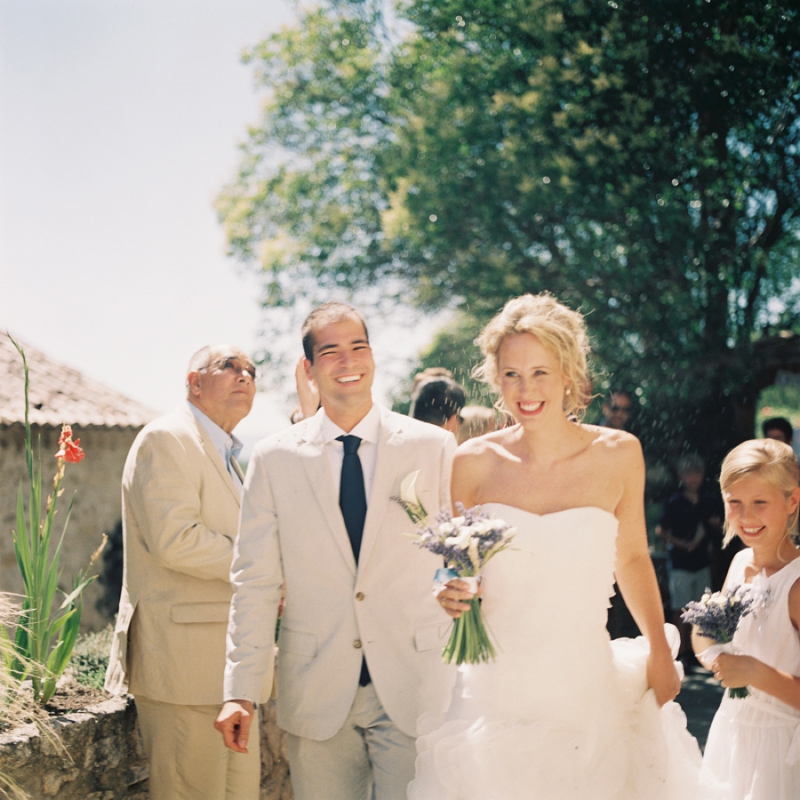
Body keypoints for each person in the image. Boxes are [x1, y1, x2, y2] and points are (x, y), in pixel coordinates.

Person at [409, 293, 701, 800]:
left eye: (541, 372)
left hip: (584, 689)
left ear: (570, 374)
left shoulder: (618, 454)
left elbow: (631, 557)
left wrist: (658, 646)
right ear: (495, 378)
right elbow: (455, 568)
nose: (526, 390)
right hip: (496, 691)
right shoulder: (470, 463)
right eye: (512, 374)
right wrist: (449, 591)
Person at [215, 302, 457, 800]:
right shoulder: (274, 458)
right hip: (317, 687)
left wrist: (459, 587)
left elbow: (459, 551)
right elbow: (254, 582)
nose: (348, 361)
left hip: (416, 682)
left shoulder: (431, 447)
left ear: (372, 356)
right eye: (331, 351)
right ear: (308, 368)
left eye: (358, 347)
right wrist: (240, 690)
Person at [104, 346, 271, 800]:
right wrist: (262, 569)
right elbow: (174, 539)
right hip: (182, 667)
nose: (245, 377)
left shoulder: (226, 453)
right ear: (194, 382)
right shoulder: (166, 438)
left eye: (251, 371)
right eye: (229, 367)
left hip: (229, 672)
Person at [694, 438, 800, 799]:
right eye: (734, 502)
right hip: (732, 732)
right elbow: (708, 633)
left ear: (792, 501)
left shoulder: (797, 585)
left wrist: (755, 673)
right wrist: (710, 650)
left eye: (760, 503)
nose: (746, 516)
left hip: (780, 748)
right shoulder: (740, 563)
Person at [657, 455, 723, 663]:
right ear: (681, 476)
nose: (694, 478)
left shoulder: (709, 500)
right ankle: (682, 651)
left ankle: (699, 651)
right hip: (680, 562)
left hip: (703, 561)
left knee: (702, 608)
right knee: (680, 608)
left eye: (698, 474)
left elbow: (722, 526)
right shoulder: (674, 502)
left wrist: (716, 525)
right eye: (689, 474)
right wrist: (682, 544)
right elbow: (661, 530)